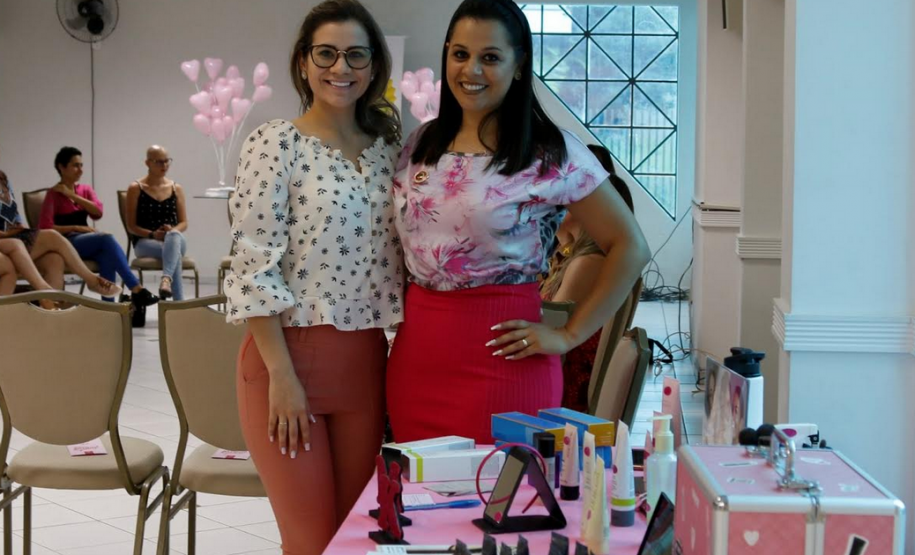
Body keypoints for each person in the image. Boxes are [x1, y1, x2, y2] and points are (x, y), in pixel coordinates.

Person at [386, 0, 650, 443]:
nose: (472, 70)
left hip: (506, 361)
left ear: (519, 65)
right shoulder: (420, 143)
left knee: (504, 486)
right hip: (418, 360)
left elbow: (631, 246)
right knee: (420, 485)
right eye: (461, 54)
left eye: (490, 57)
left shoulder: (549, 151)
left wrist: (569, 334)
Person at [223, 1, 402, 553]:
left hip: (366, 362)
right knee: (309, 541)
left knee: (353, 539)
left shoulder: (391, 153)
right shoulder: (277, 143)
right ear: (303, 62)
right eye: (326, 53)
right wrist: (282, 375)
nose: (340, 67)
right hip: (285, 361)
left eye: (355, 55)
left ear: (374, 66)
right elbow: (252, 264)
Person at [540, 144, 635, 412]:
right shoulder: (572, 255)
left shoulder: (587, 263)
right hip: (564, 370)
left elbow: (551, 328)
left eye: (561, 203)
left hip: (569, 385)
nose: (552, 209)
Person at [39, 146, 157, 307]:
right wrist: (76, 227)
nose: (80, 170)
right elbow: (45, 227)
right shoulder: (53, 194)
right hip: (65, 243)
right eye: (75, 165)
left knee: (106, 255)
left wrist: (71, 195)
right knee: (106, 239)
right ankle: (136, 288)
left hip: (84, 241)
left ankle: (108, 308)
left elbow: (98, 212)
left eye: (81, 165)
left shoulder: (85, 190)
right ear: (62, 167)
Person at [0, 160, 120, 300]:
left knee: (54, 259)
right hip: (5, 241)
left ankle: (51, 309)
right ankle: (91, 280)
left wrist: (19, 224)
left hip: (13, 236)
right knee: (52, 235)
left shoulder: (3, 178)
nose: (80, 169)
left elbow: (12, 212)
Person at [125, 146, 189, 300]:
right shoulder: (136, 188)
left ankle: (166, 279)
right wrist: (153, 234)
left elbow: (184, 223)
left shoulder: (176, 188)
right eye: (159, 162)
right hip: (145, 242)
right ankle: (178, 304)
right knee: (174, 254)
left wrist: (171, 230)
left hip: (174, 239)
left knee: (173, 237)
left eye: (167, 161)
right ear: (147, 163)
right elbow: (131, 226)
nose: (164, 165)